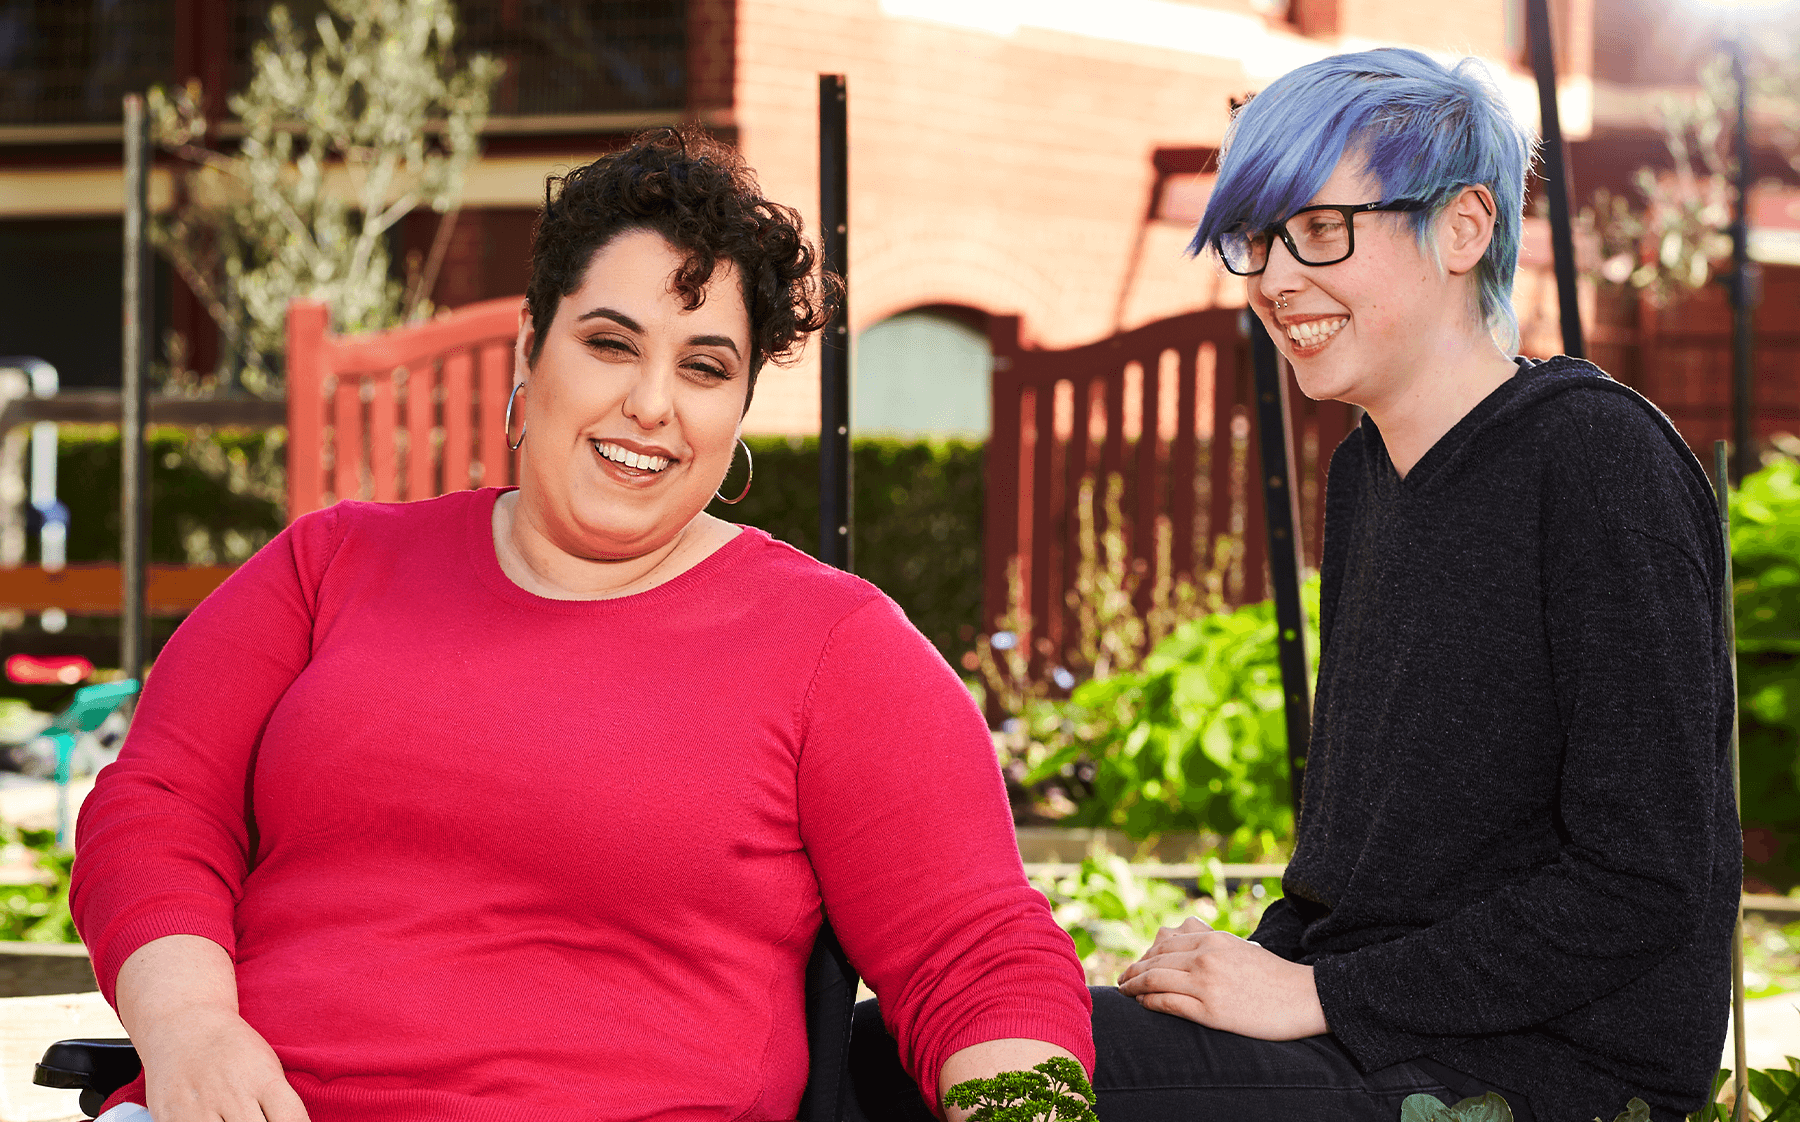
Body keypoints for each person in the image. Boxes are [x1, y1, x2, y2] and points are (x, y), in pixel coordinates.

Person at [69, 127, 1094, 1122]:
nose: (650, 403)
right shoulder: (330, 566)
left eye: (703, 368)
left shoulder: (837, 648)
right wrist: (192, 1029)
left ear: (737, 412)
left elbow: (977, 951)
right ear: (532, 348)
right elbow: (159, 810)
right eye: (611, 344)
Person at [849, 47, 1737, 1122]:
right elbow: (1370, 877)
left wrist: (1316, 992)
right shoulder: (1369, 472)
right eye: (1257, 239)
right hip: (1375, 1038)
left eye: (1321, 230)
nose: (1274, 279)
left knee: (935, 1077)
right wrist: (1244, 969)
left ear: (1465, 228)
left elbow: (1643, 883)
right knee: (908, 1042)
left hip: (1538, 1080)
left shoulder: (1599, 462)